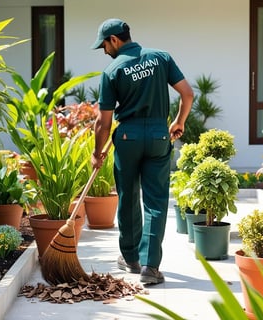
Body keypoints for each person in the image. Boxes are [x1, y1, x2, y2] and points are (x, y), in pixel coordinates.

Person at [91, 18, 193, 284]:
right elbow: (188, 94)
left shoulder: (112, 70)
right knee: (156, 202)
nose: (104, 51)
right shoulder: (161, 58)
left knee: (128, 197)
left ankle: (130, 258)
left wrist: (96, 151)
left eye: (103, 45)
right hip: (159, 135)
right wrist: (179, 121)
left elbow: (103, 122)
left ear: (114, 40)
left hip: (128, 137)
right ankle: (150, 266)